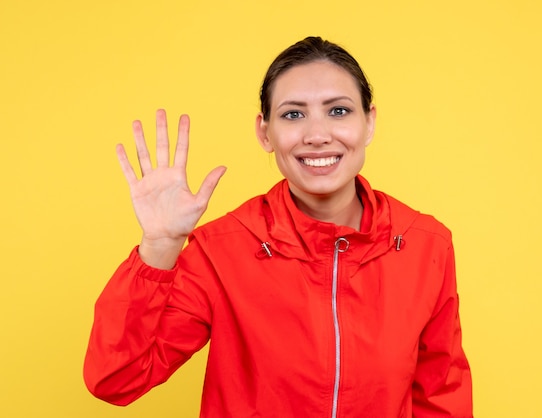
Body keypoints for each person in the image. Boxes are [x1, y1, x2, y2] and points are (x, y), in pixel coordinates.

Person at [84, 36, 473, 417]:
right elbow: (118, 379)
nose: (317, 135)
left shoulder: (426, 245)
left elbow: (442, 399)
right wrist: (159, 245)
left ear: (369, 123)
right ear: (264, 132)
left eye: (338, 111)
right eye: (293, 114)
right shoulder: (221, 250)